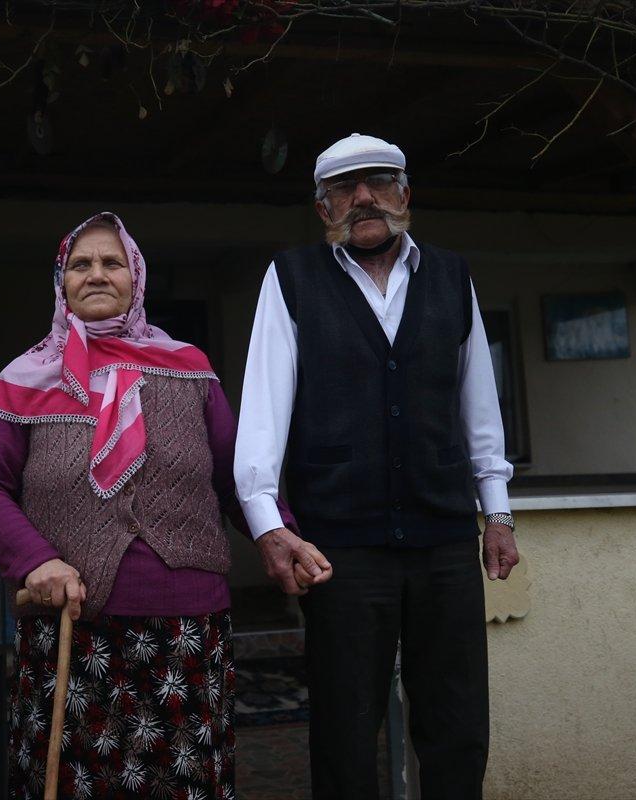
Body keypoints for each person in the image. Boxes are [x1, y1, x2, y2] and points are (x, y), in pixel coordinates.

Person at [0, 212, 317, 799]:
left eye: (112, 262)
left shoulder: (190, 368)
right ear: (61, 280)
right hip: (69, 626)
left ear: (136, 276)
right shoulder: (23, 379)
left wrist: (277, 534)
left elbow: (238, 478)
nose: (96, 275)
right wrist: (34, 561)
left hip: (187, 628)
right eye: (80, 264)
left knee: (183, 784)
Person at [234, 133, 520, 800]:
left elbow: (480, 407)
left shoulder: (452, 276)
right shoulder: (292, 278)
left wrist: (497, 511)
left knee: (456, 721)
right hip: (339, 544)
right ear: (321, 206)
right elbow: (263, 411)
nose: (363, 197)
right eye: (344, 187)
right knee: (344, 724)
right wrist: (266, 521)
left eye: (379, 181)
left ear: (405, 195)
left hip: (446, 536)